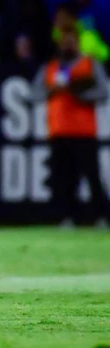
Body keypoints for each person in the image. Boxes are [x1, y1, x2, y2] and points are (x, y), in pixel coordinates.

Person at [30, 24, 110, 228]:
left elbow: (103, 92)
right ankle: (68, 217)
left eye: (71, 40)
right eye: (64, 41)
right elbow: (34, 94)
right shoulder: (51, 67)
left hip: (84, 131)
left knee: (91, 176)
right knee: (64, 178)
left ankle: (100, 216)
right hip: (58, 130)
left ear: (77, 41)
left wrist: (78, 92)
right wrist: (53, 90)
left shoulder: (89, 65)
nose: (67, 44)